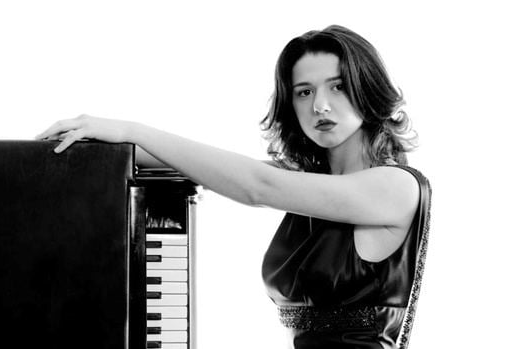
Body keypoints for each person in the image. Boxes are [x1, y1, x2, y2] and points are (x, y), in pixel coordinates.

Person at [36, 25, 431, 349]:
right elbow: (208, 166)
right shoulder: (308, 186)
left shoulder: (395, 187)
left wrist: (130, 129)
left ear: (368, 89)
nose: (320, 106)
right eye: (304, 92)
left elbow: (257, 186)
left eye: (338, 86)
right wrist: (100, 146)